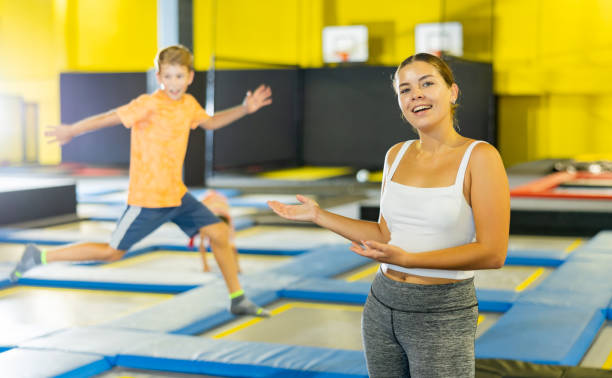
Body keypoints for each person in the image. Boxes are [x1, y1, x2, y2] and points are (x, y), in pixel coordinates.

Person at [268, 53, 509, 377]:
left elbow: (493, 253)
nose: (417, 95)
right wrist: (319, 215)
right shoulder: (396, 154)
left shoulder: (479, 156)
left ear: (452, 92)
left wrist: (409, 260)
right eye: (405, 89)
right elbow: (384, 234)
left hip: (441, 310)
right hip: (382, 303)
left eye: (427, 83)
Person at [11, 45, 272, 317]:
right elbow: (109, 117)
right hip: (147, 201)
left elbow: (210, 122)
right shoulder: (148, 104)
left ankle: (237, 298)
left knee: (219, 232)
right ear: (159, 76)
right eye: (168, 76)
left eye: (179, 76)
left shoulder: (188, 105)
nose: (173, 83)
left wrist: (244, 109)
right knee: (112, 253)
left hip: (177, 195)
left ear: (190, 77)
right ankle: (38, 256)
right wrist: (72, 130)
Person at [188, 189, 241, 273]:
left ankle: (236, 265)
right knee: (204, 236)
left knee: (228, 243)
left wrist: (237, 267)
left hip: (219, 205)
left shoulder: (228, 224)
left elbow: (232, 245)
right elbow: (201, 244)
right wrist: (205, 265)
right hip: (207, 203)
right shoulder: (205, 220)